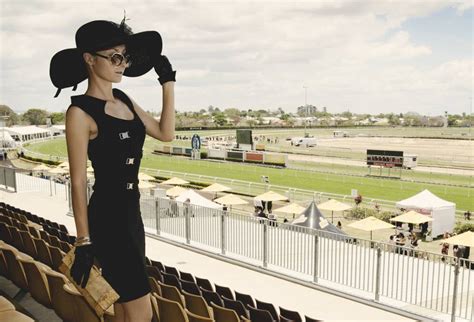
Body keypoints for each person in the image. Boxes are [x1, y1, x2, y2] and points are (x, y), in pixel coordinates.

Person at [53, 16, 176, 322]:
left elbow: (165, 133)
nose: (122, 64)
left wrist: (168, 83)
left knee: (124, 308)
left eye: (124, 57)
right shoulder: (79, 113)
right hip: (108, 217)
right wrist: (83, 241)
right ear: (89, 60)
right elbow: (79, 181)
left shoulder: (123, 98)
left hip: (131, 213)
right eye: (114, 57)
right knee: (141, 313)